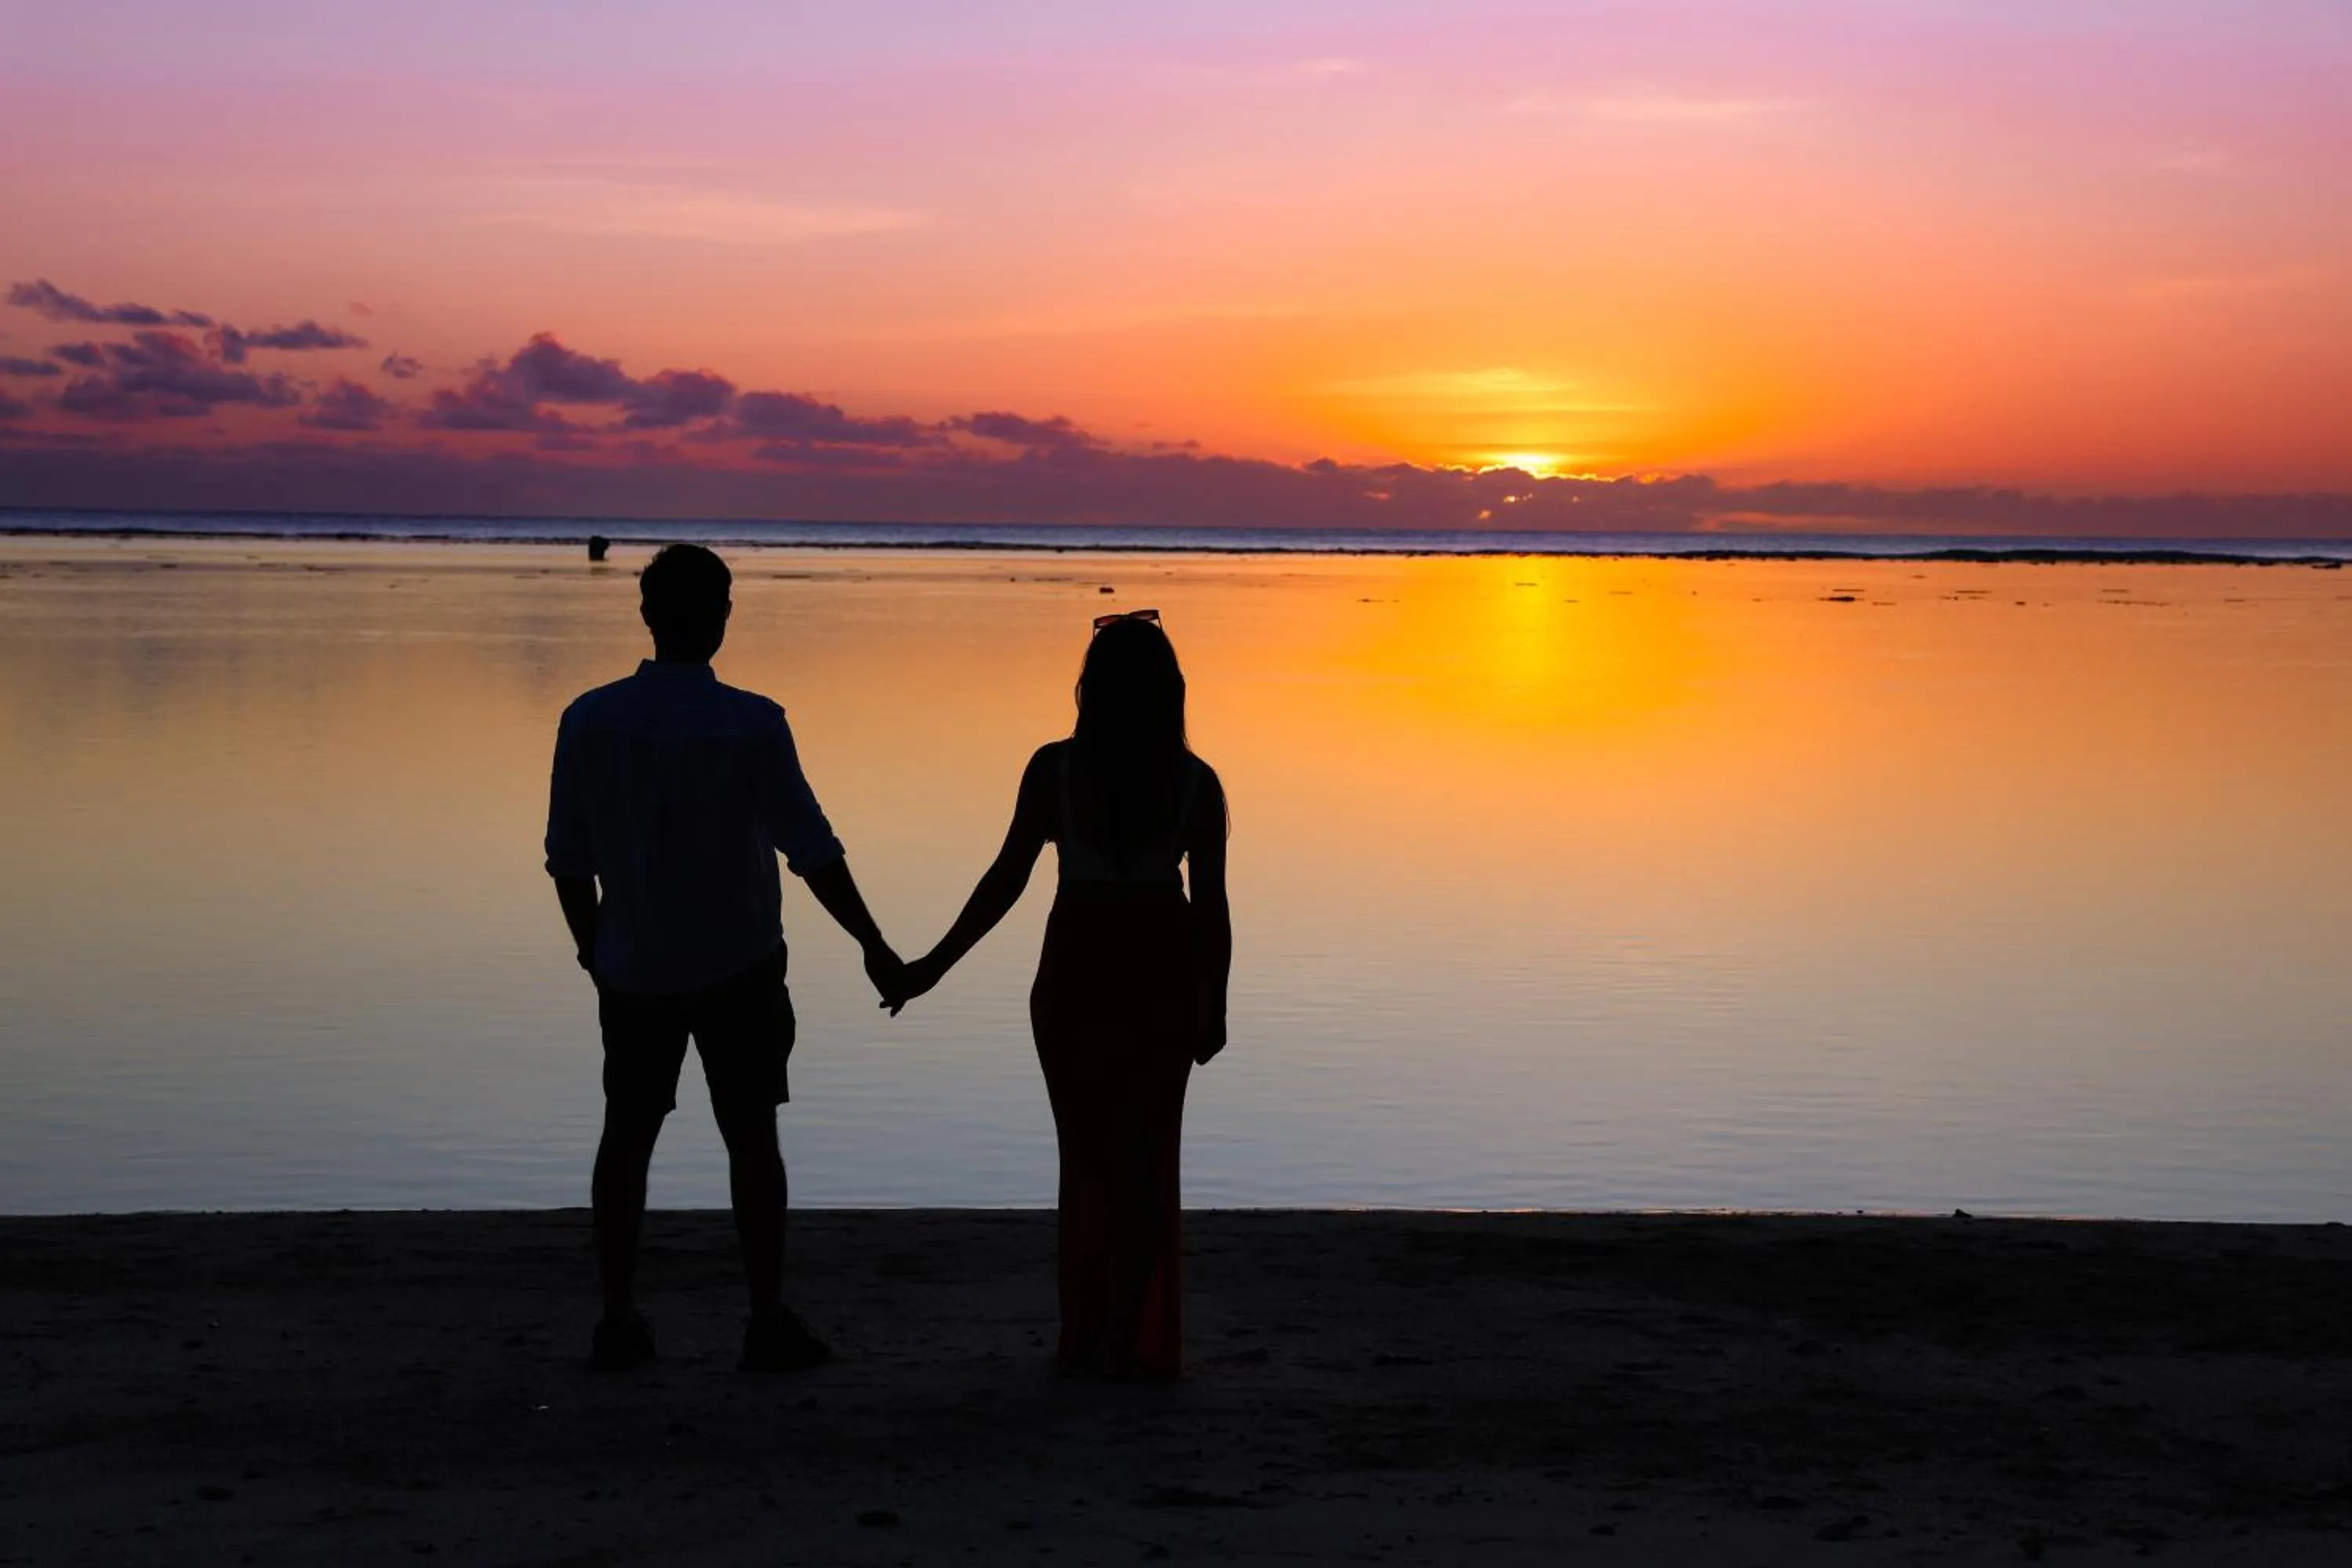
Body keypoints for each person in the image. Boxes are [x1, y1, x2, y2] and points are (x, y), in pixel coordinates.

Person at [545, 543, 904, 1372]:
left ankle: (618, 1315)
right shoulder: (749, 722)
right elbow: (810, 850)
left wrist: (591, 946)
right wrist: (874, 944)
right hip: (737, 963)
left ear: (647, 614)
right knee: (751, 1138)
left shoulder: (590, 718)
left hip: (633, 965)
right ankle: (765, 1317)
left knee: (627, 1138)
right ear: (720, 616)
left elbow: (570, 859)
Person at [890, 610, 1231, 1381]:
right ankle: (1120, 1331)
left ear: (1091, 689)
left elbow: (1006, 879)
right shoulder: (1194, 783)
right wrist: (1215, 1001)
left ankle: (1093, 1327)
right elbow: (1210, 907)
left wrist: (932, 965)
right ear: (1168, 692)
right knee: (1145, 1160)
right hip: (1157, 968)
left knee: (1089, 1159)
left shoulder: (1055, 770)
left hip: (1078, 968)